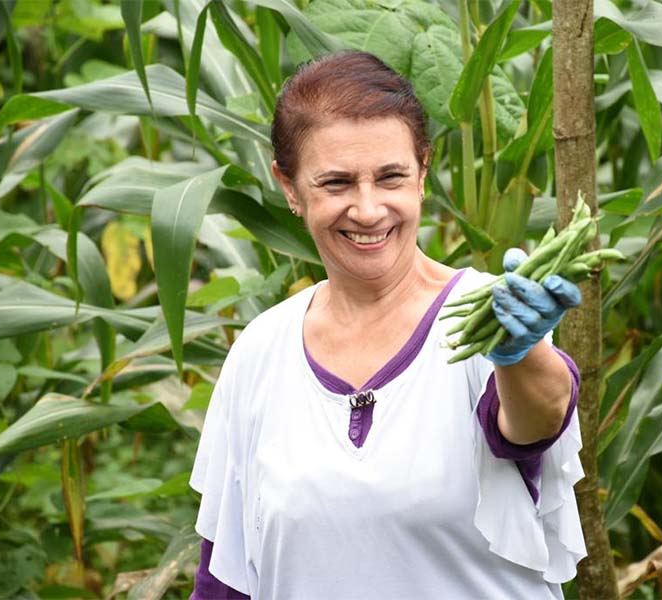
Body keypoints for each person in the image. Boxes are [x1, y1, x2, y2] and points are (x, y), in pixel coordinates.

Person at [190, 50, 587, 599]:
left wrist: (520, 355)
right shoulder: (261, 353)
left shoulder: (488, 316)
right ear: (288, 186)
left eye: (390, 177)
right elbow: (225, 576)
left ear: (423, 170)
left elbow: (538, 420)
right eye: (336, 183)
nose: (369, 209)